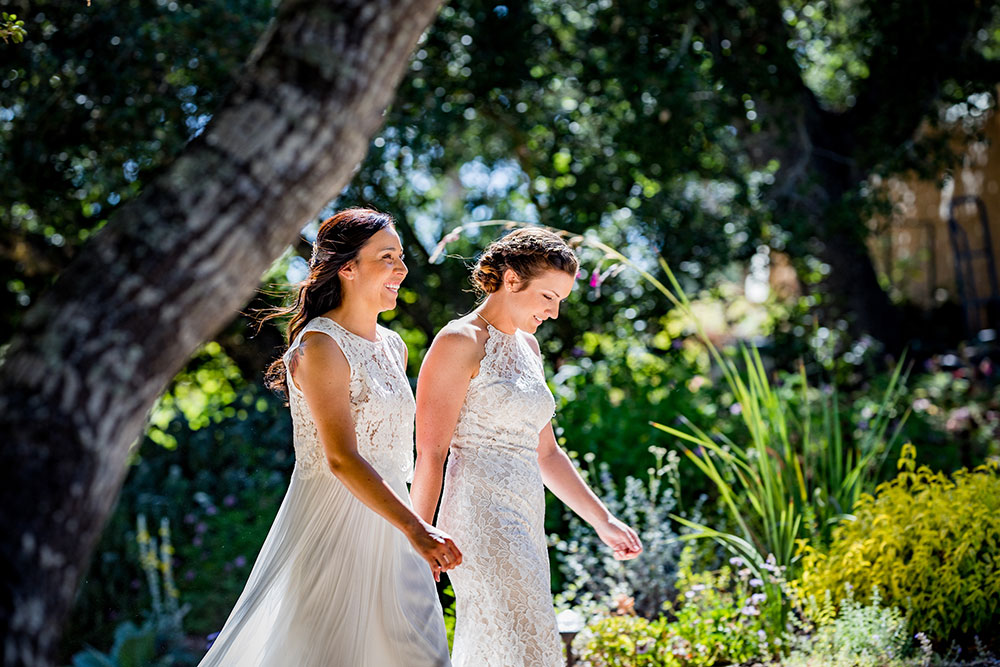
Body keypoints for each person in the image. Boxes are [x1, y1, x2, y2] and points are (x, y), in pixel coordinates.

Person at [199, 208, 459, 667]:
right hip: (336, 526)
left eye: (400, 256)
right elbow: (341, 458)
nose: (401, 268)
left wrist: (413, 530)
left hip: (394, 527)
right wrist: (417, 529)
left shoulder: (393, 345)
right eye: (387, 257)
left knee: (422, 657)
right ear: (347, 267)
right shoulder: (320, 346)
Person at [411, 227, 643, 667]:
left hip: (525, 514)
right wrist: (418, 536)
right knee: (528, 645)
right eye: (548, 297)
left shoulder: (529, 348)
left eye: (561, 301)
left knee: (504, 644)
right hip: (478, 515)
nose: (554, 313)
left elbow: (547, 454)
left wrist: (603, 520)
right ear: (512, 279)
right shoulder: (457, 341)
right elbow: (431, 453)